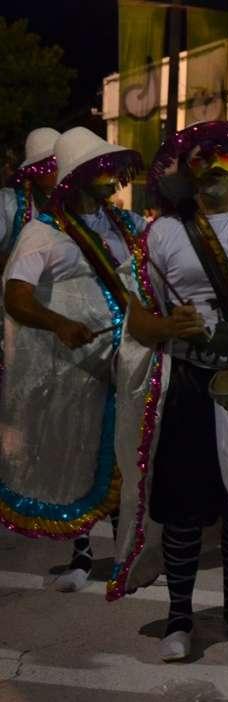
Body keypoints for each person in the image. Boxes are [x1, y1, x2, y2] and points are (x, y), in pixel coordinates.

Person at [107, 120, 228, 661]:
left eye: (222, 153)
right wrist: (168, 327)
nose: (212, 163)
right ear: (186, 168)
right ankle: (179, 617)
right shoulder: (161, 233)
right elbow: (139, 319)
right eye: (200, 156)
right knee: (184, 510)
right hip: (190, 385)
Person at [0, 127, 145, 592]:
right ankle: (82, 555)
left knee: (127, 458)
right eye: (101, 168)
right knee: (78, 457)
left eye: (112, 167)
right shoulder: (41, 233)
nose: (112, 176)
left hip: (128, 362)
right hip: (74, 372)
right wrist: (59, 324)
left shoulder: (125, 224)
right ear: (75, 176)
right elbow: (17, 297)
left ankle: (125, 555)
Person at [0, 127, 60, 266]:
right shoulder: (8, 202)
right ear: (33, 171)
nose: (57, 170)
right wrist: (18, 267)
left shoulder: (76, 203)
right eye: (50, 165)